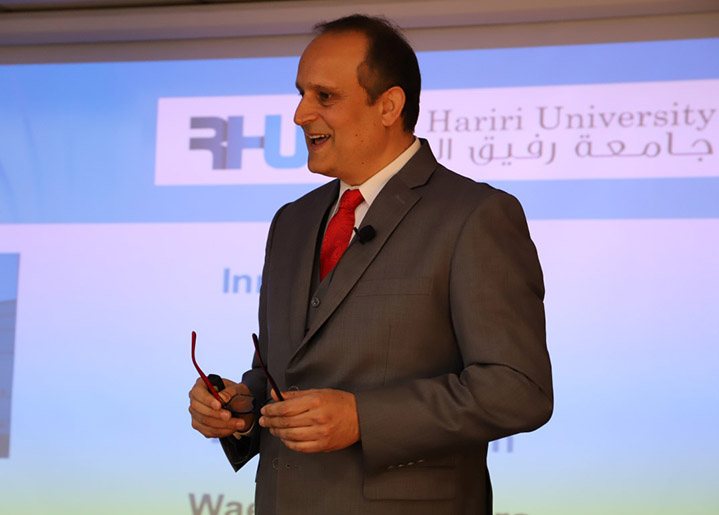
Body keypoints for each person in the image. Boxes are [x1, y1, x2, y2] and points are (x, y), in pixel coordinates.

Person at [188, 14, 553, 515]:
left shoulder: (475, 216)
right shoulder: (291, 221)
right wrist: (242, 409)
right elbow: (282, 374)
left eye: (324, 97)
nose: (299, 114)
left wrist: (364, 419)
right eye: (301, 94)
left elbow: (519, 390)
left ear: (389, 106)